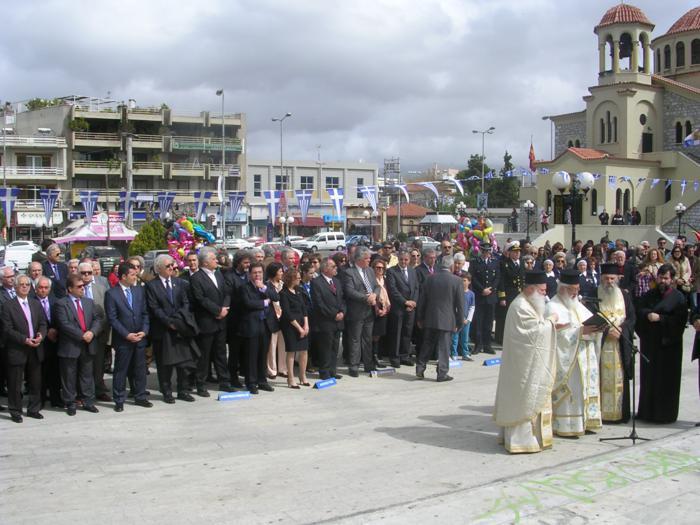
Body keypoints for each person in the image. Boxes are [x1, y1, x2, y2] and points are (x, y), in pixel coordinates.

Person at [493, 271, 558, 453]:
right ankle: (520, 442)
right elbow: (533, 333)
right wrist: (551, 322)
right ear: (531, 289)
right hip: (521, 365)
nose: (545, 295)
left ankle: (534, 437)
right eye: (543, 291)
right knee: (522, 400)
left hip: (526, 361)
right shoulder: (520, 306)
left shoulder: (529, 304)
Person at [545, 270, 602, 437]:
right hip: (568, 360)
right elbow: (552, 334)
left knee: (584, 389)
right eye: (572, 289)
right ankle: (566, 426)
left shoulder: (578, 305)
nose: (576, 293)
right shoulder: (552, 307)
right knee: (573, 390)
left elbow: (588, 323)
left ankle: (586, 422)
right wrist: (580, 332)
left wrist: (598, 328)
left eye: (577, 289)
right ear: (562, 289)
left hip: (585, 357)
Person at [635, 264, 688, 424]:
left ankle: (664, 414)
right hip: (650, 344)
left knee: (666, 381)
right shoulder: (649, 294)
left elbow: (679, 321)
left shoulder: (678, 298)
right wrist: (647, 314)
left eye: (666, 278)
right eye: (660, 277)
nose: (662, 281)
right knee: (649, 379)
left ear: (671, 280)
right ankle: (647, 412)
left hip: (668, 346)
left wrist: (661, 319)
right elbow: (639, 310)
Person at [145, 254, 198, 404]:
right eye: (168, 266)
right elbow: (154, 308)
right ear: (159, 268)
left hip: (180, 327)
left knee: (183, 362)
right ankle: (166, 391)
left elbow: (185, 303)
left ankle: (183, 390)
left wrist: (179, 320)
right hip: (163, 330)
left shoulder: (179, 283)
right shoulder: (151, 286)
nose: (172, 268)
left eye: (173, 265)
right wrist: (169, 322)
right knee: (164, 364)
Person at [55, 274, 105, 416]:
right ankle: (70, 402)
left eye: (83, 286)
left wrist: (92, 332)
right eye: (79, 286)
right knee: (69, 376)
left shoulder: (89, 302)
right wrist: (81, 335)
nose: (82, 288)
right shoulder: (61, 303)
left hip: (88, 344)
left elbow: (97, 319)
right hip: (71, 345)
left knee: (87, 375)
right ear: (70, 289)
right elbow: (64, 324)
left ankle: (88, 401)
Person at [105, 262, 152, 412]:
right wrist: (126, 334)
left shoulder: (139, 291)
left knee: (140, 369)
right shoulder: (112, 294)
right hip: (123, 340)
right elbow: (112, 319)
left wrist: (144, 331)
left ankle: (140, 396)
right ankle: (119, 399)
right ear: (124, 276)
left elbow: (145, 313)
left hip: (140, 337)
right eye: (132, 275)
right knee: (121, 370)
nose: (135, 277)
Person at [2, 274, 47, 423]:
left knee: (35, 381)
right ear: (15, 287)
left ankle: (34, 409)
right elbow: (7, 329)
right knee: (15, 382)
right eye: (21, 284)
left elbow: (42, 322)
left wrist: (41, 335)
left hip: (35, 347)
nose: (24, 286)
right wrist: (24, 340)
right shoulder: (8, 306)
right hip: (18, 348)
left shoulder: (35, 303)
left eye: (27, 284)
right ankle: (15, 411)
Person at [189, 246, 234, 396]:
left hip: (221, 321)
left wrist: (225, 308)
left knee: (221, 353)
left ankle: (224, 382)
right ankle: (201, 384)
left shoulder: (219, 274)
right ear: (206, 263)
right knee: (204, 355)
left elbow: (227, 292)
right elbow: (200, 298)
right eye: (214, 259)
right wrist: (217, 310)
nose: (217, 261)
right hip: (207, 321)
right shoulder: (196, 277)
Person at [596, 263, 636, 423]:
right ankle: (601, 415)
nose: (609, 281)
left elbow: (632, 318)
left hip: (620, 345)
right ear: (601, 279)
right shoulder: (594, 293)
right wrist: (606, 331)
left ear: (617, 279)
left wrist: (621, 330)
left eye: (612, 278)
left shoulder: (624, 296)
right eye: (606, 278)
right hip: (601, 345)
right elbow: (589, 317)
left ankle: (621, 414)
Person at [416, 255, 463, 382]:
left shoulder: (429, 279)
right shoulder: (457, 281)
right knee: (444, 347)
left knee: (427, 344)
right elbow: (460, 304)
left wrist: (419, 318)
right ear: (451, 266)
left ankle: (420, 368)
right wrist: (460, 322)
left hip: (430, 318)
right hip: (447, 319)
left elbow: (422, 300)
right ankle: (442, 373)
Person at [239, 262, 278, 394]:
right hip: (252, 325)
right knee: (252, 355)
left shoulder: (266, 286)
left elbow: (276, 297)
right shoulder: (244, 287)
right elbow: (248, 303)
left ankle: (262, 380)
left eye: (260, 272)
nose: (257, 275)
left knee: (263, 354)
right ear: (250, 274)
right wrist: (264, 302)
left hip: (265, 325)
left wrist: (265, 289)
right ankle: (251, 382)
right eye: (255, 273)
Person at [342, 246, 380, 377]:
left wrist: (374, 295)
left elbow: (376, 286)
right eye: (367, 258)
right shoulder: (349, 272)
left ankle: (368, 364)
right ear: (359, 259)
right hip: (356, 311)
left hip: (369, 312)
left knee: (367, 339)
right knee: (355, 340)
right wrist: (366, 298)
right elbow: (350, 291)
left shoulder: (369, 270)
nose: (369, 260)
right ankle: (354, 366)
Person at [79, 261, 110, 402]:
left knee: (98, 365)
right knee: (83, 366)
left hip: (99, 333)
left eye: (89, 273)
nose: (86, 275)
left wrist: (97, 330)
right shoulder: (75, 289)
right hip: (81, 335)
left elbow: (106, 312)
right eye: (83, 273)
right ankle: (82, 393)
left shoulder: (101, 288)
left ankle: (99, 390)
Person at [311, 258, 345, 380]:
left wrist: (342, 312)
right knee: (325, 347)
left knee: (335, 347)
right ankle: (324, 371)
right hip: (325, 321)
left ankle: (332, 370)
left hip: (338, 321)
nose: (336, 268)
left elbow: (342, 299)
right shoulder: (316, 282)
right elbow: (319, 303)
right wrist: (333, 315)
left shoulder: (337, 281)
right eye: (333, 266)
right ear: (325, 268)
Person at [385, 250, 419, 368]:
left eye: (406, 259)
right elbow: (393, 290)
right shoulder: (391, 271)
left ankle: (405, 355)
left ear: (409, 260)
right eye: (401, 259)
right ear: (398, 259)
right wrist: (405, 302)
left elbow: (416, 288)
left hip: (411, 308)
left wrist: (413, 302)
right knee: (396, 333)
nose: (404, 262)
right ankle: (394, 357)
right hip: (398, 308)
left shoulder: (412, 271)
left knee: (407, 332)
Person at [224, 250, 251, 389]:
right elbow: (229, 295)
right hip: (235, 320)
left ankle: (247, 376)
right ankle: (232, 377)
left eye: (248, 262)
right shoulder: (230, 276)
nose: (248, 265)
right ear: (238, 262)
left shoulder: (248, 275)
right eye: (245, 262)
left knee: (246, 351)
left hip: (248, 319)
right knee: (234, 351)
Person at [279, 269, 310, 389]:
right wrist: (299, 328)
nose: (299, 279)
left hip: (302, 323)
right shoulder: (283, 293)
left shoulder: (299, 290)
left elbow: (304, 309)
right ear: (290, 278)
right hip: (291, 325)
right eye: (297, 277)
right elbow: (287, 313)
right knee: (292, 351)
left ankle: (303, 376)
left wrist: (306, 325)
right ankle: (291, 378)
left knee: (304, 351)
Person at [35, 276, 62, 408]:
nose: (43, 290)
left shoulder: (55, 301)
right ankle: (40, 399)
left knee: (55, 372)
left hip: (55, 342)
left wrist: (55, 329)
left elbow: (61, 319)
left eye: (46, 288)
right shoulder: (32, 302)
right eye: (40, 287)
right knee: (40, 373)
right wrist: (45, 332)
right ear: (35, 289)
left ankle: (55, 398)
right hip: (40, 343)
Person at [471, 241, 500, 355]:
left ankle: (487, 345)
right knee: (478, 322)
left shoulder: (495, 262)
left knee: (488, 322)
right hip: (480, 296)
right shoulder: (475, 263)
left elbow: (497, 277)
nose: (486, 253)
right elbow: (473, 278)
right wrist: (482, 289)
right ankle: (478, 345)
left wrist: (491, 289)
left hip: (491, 296)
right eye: (484, 251)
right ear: (481, 251)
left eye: (488, 251)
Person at [495, 241, 523, 345]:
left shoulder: (521, 263)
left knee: (516, 317)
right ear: (510, 253)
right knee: (504, 317)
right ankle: (500, 338)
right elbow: (501, 281)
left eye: (518, 252)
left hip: (518, 294)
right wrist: (502, 297)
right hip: (508, 294)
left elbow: (522, 279)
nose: (517, 254)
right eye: (515, 252)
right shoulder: (504, 263)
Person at [264, 262, 286, 379]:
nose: (282, 273)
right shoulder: (267, 286)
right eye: (280, 271)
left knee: (283, 344)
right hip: (272, 318)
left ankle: (283, 368)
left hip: (284, 318)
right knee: (272, 345)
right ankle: (272, 370)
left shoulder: (283, 284)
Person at [370, 257, 391, 367]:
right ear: (373, 268)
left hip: (384, 310)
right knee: (373, 335)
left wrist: (386, 309)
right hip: (374, 311)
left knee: (379, 335)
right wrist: (377, 309)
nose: (380, 270)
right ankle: (372, 357)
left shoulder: (385, 280)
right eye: (378, 268)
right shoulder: (371, 280)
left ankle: (376, 355)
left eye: (382, 268)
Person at [451, 271, 475, 361]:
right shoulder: (456, 292)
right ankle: (454, 353)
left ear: (469, 282)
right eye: (461, 280)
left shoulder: (471, 294)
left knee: (465, 338)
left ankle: (465, 353)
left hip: (466, 321)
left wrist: (468, 319)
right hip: (457, 319)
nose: (463, 282)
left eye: (464, 280)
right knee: (455, 337)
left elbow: (472, 307)